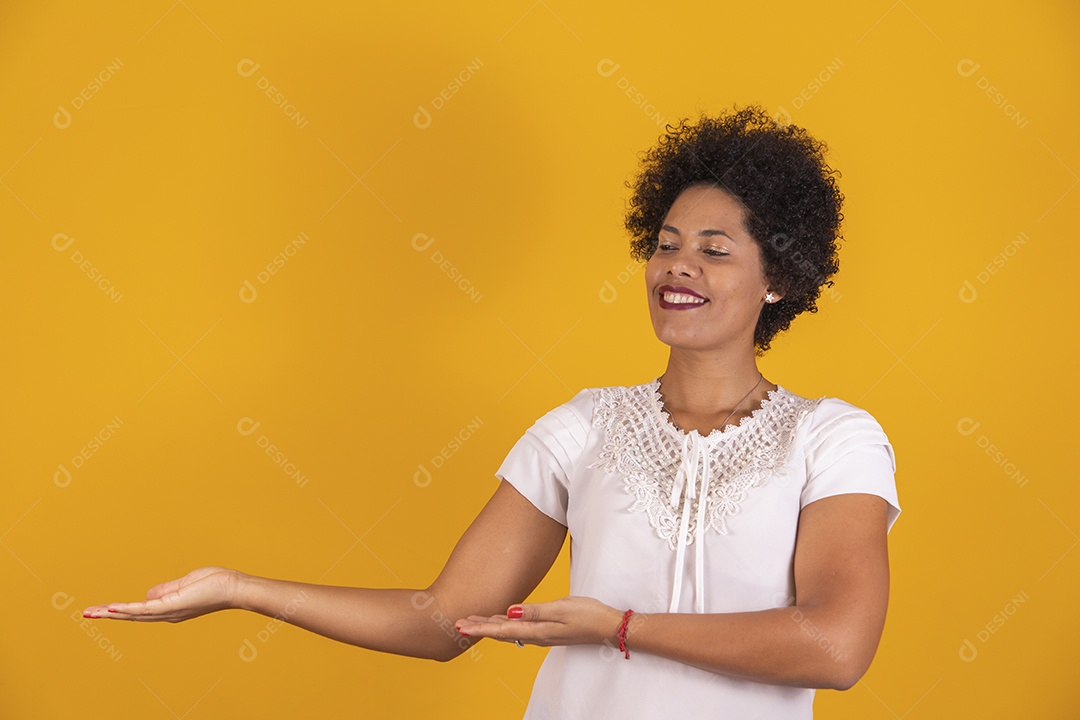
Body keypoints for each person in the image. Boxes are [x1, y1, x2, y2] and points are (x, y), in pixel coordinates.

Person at [85, 105, 900, 719]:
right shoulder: (582, 428)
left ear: (780, 280)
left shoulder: (831, 440)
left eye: (715, 250)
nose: (678, 266)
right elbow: (444, 620)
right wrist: (241, 588)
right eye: (666, 242)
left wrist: (619, 627)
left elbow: (834, 646)